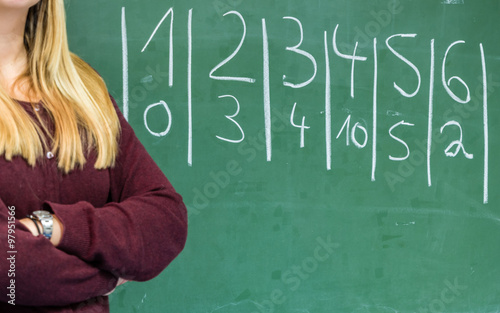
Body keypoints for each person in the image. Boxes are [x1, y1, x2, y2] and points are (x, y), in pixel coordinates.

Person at [0, 1, 188, 312]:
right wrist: (108, 277)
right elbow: (10, 269)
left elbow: (165, 221)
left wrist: (52, 226)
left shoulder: (82, 91)